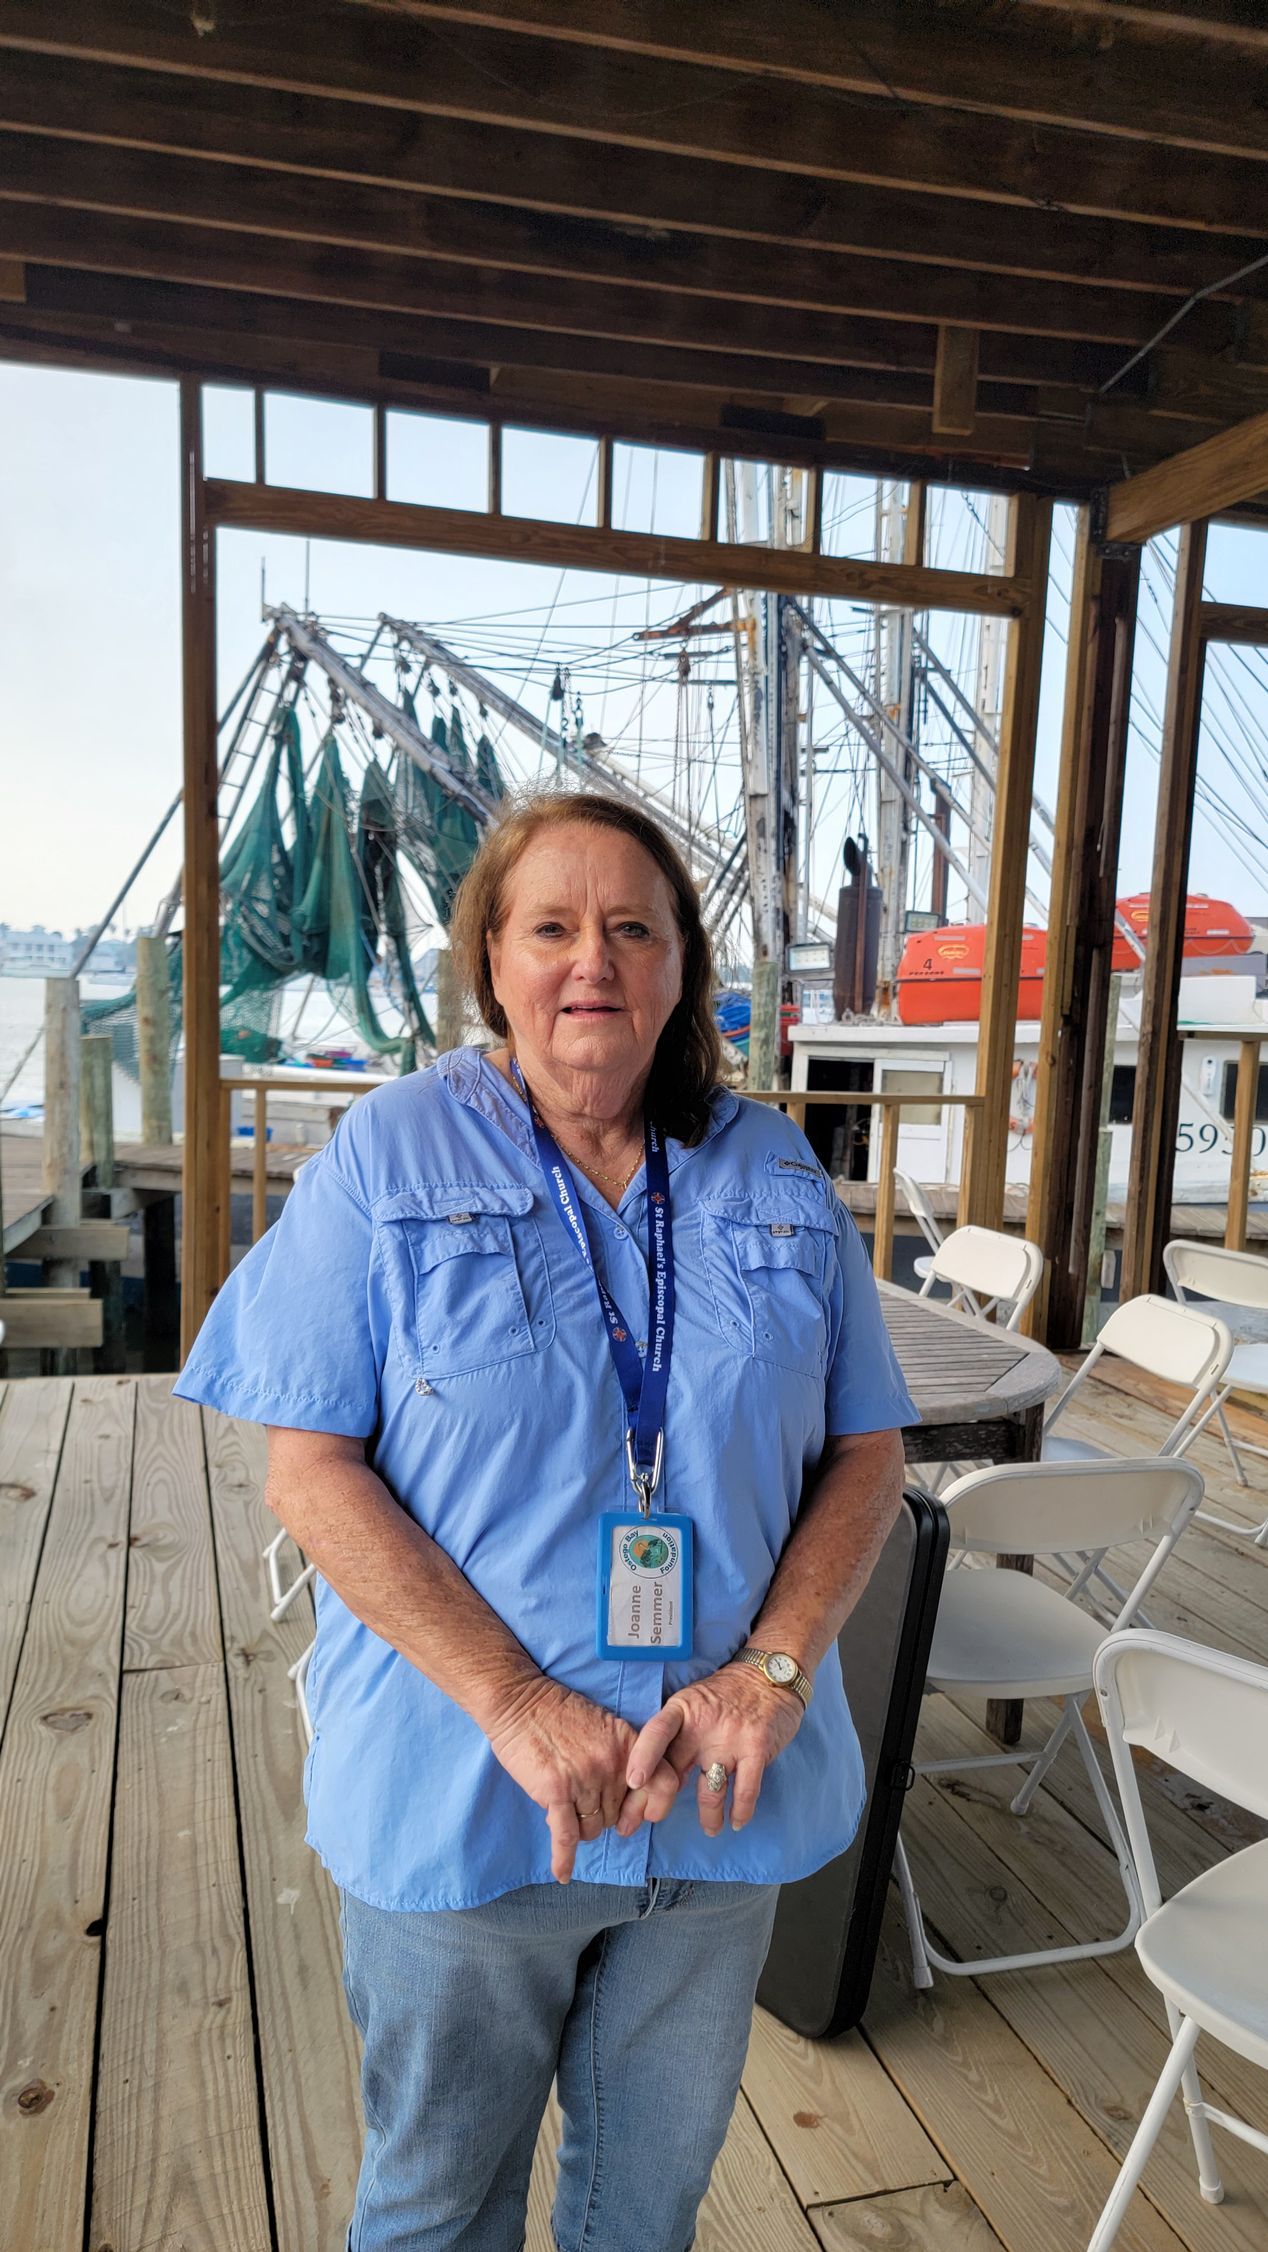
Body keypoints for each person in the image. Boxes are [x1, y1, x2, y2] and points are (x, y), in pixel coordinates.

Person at [174, 789, 917, 2252]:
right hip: (470, 1803)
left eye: (634, 929)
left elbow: (868, 1450)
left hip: (715, 1812)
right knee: (437, 2210)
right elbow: (310, 1468)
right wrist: (513, 1697)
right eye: (555, 928)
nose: (596, 961)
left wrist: (769, 1673)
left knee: (645, 2206)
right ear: (495, 965)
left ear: (681, 968)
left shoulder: (773, 1169)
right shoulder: (389, 1161)